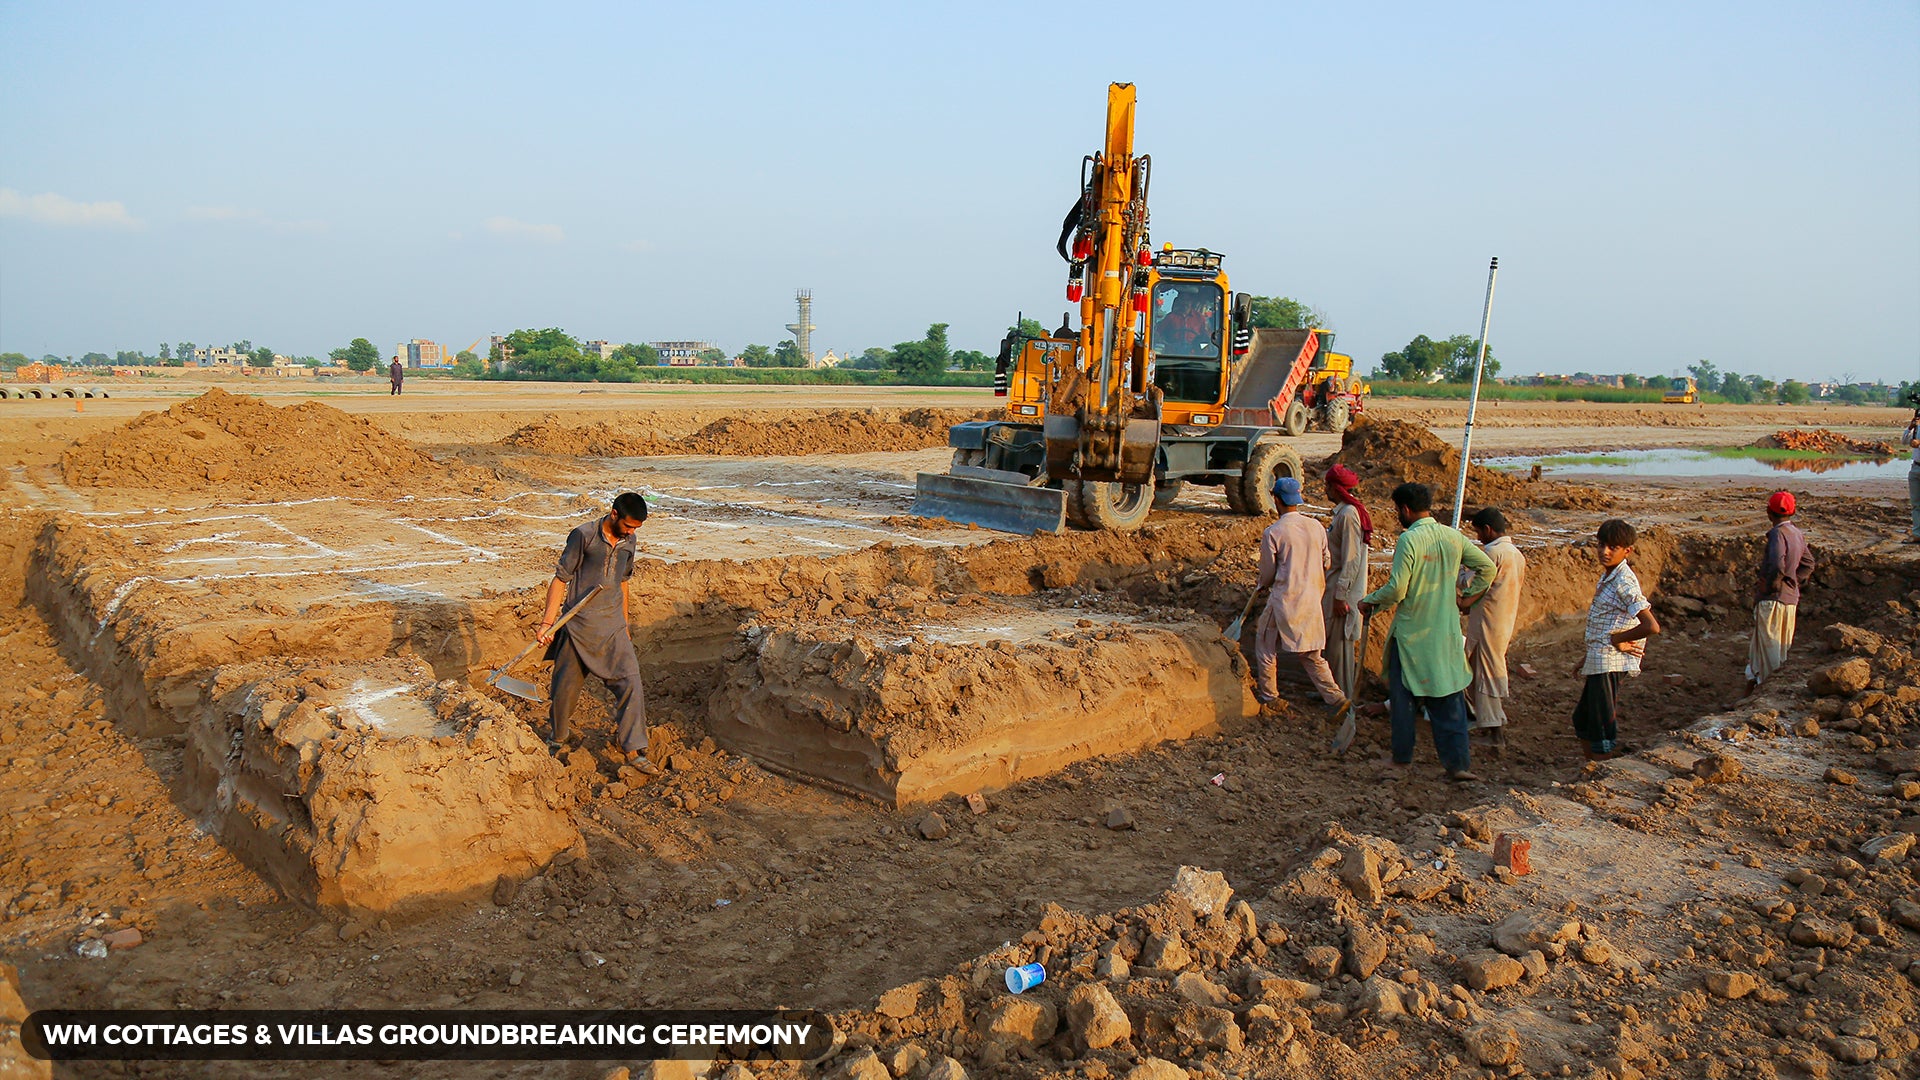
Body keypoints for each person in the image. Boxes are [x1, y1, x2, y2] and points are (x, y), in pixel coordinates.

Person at [1359, 483, 1496, 781]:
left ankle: (1401, 759)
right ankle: (1458, 765)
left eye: (1398, 511)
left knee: (1403, 699)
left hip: (1412, 635)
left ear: (1405, 509)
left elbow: (1397, 589)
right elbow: (1487, 567)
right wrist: (1467, 597)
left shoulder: (1410, 539)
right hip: (1445, 633)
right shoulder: (1452, 536)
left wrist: (1369, 602)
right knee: (1448, 698)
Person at [537, 492, 651, 757]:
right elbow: (560, 579)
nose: (631, 532)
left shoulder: (629, 542)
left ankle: (634, 749)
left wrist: (624, 624)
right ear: (614, 514)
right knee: (563, 689)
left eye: (636, 528)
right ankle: (557, 738)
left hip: (612, 627)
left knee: (631, 682)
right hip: (578, 626)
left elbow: (622, 582)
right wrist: (546, 623)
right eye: (628, 526)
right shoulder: (583, 536)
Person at [1252, 476, 1347, 712]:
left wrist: (1263, 584)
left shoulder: (1274, 532)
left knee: (1265, 644)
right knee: (1311, 653)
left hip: (1285, 598)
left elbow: (1267, 572)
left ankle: (1269, 696)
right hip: (1313, 597)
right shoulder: (1315, 526)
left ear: (1276, 499)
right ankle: (1336, 698)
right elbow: (1327, 561)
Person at [1573, 518, 1661, 760]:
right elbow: (1607, 623)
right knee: (1583, 718)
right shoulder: (1609, 576)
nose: (1604, 552)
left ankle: (1602, 771)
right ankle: (1592, 766)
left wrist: (1618, 640)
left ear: (1627, 551)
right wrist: (1587, 656)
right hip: (1599, 658)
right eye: (1601, 545)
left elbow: (1651, 626)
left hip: (1609, 663)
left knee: (1599, 723)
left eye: (1612, 547)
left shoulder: (1624, 582)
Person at [1460, 507, 1526, 753]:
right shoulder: (1516, 554)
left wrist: (1458, 568)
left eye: (1478, 532)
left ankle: (1494, 731)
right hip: (1503, 619)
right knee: (1487, 667)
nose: (1478, 537)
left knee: (1485, 672)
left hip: (1488, 620)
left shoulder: (1491, 552)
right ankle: (1488, 722)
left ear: (1487, 530)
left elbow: (1470, 582)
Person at [1746, 491, 1815, 694]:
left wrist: (1773, 585)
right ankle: (1752, 694)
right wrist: (1792, 582)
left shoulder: (1778, 534)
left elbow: (1777, 562)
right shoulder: (1796, 533)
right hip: (1789, 600)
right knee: (1775, 648)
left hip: (1773, 599)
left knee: (1768, 652)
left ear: (1769, 512)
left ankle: (1767, 696)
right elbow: (1809, 564)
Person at [1322, 465, 1370, 702]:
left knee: (1340, 648)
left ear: (1336, 488)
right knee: (1332, 645)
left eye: (1328, 485)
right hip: (1336, 588)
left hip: (1343, 592)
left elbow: (1352, 559)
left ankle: (1342, 699)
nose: (1325, 489)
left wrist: (1341, 595)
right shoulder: (1343, 513)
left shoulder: (1349, 515)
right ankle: (1332, 693)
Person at [1905, 408, 1920, 543]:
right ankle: (1917, 533)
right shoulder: (1917, 427)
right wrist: (1910, 428)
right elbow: (1905, 441)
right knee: (1916, 503)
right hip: (1916, 467)